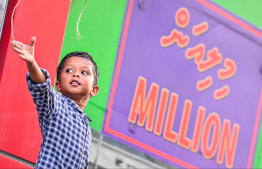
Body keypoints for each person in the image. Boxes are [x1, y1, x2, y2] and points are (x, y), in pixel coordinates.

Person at [11, 37, 99, 169]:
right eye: (69, 70)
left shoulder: (86, 126)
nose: (76, 74)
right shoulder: (56, 105)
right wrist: (32, 63)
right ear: (58, 86)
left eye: (84, 72)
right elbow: (42, 86)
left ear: (94, 90)